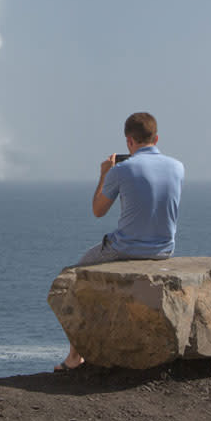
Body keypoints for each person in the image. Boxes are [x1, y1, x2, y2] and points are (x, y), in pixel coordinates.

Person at [54, 112, 184, 371]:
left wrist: (105, 173)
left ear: (129, 142)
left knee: (72, 277)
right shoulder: (177, 167)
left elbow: (98, 210)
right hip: (163, 250)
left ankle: (74, 356)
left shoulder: (122, 170)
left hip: (125, 248)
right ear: (156, 138)